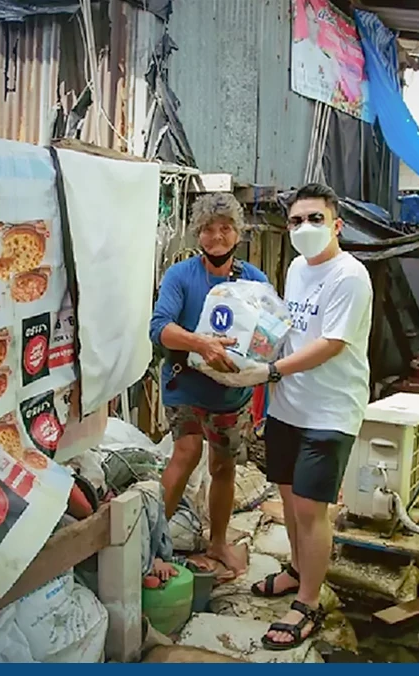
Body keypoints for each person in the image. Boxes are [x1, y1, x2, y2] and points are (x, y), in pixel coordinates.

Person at [236, 182, 373, 651]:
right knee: (291, 500)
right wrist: (248, 352)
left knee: (313, 510)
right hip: (289, 405)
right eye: (296, 221)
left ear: (337, 225)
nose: (304, 228)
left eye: (315, 219)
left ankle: (309, 602)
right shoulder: (296, 268)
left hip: (330, 411)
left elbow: (330, 344)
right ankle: (298, 569)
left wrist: (268, 370)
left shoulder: (350, 276)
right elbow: (290, 327)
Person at [149, 192, 271, 578]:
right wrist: (200, 343)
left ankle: (217, 542)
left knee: (223, 466)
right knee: (185, 452)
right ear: (197, 234)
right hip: (185, 382)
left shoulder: (254, 280)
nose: (217, 237)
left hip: (230, 392)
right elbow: (159, 329)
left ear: (237, 234)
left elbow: (269, 333)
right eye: (208, 229)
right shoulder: (181, 276)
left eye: (225, 229)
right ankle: (152, 548)